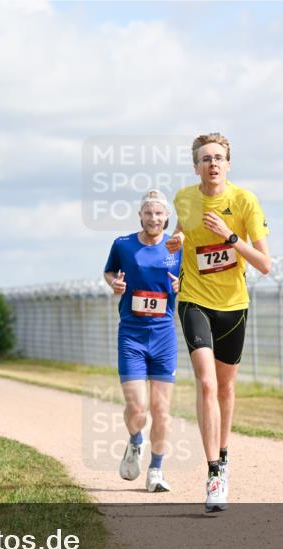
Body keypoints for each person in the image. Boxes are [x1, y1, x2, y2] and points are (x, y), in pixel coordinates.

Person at [166, 133, 272, 512]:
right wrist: (176, 240)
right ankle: (213, 473)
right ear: (195, 166)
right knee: (207, 383)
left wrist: (230, 238)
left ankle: (223, 456)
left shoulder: (244, 201)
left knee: (225, 389)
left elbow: (264, 264)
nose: (212, 163)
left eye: (218, 158)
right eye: (205, 158)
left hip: (233, 306)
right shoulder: (184, 198)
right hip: (194, 299)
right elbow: (181, 232)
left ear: (228, 164)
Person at [104, 190, 182, 493]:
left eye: (159, 213)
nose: (153, 218)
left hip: (163, 336)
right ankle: (135, 441)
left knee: (161, 410)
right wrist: (115, 283)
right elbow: (109, 272)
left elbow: (191, 280)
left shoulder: (176, 247)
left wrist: (183, 284)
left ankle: (156, 471)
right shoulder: (122, 244)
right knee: (137, 409)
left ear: (167, 216)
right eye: (148, 213)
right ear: (140, 215)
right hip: (131, 335)